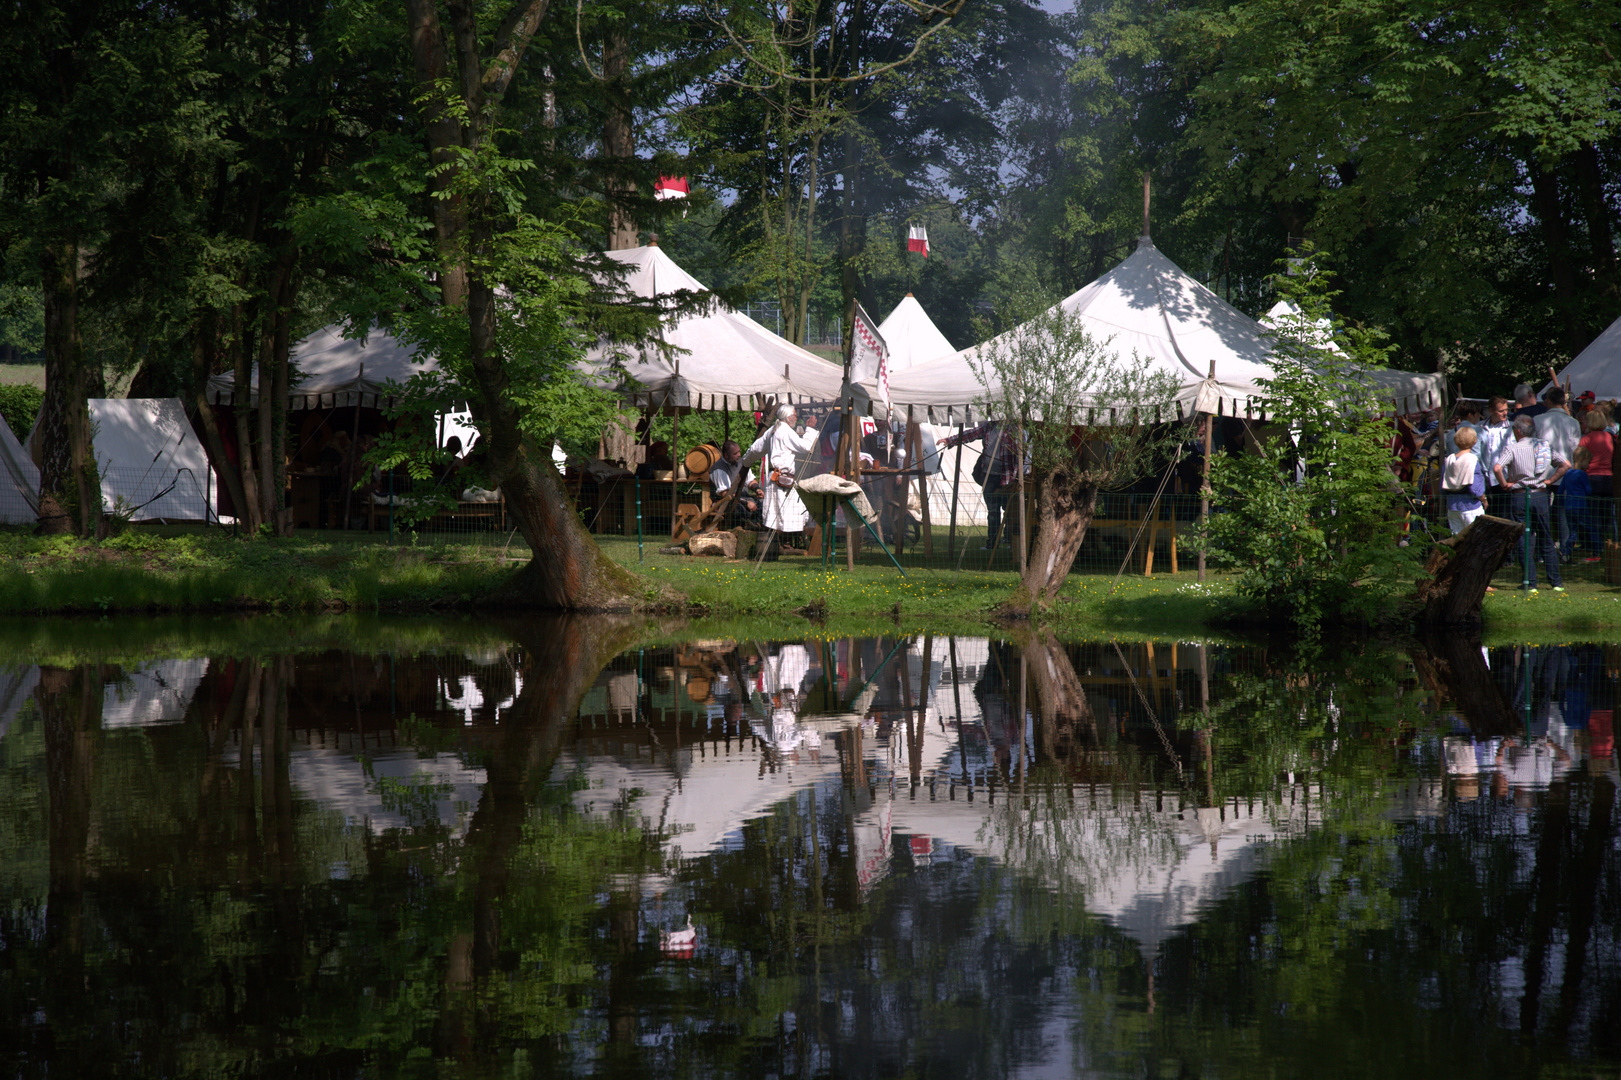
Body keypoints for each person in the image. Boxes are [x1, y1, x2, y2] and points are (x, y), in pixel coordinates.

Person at [1494, 413, 1570, 592]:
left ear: (1518, 431)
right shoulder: (1544, 446)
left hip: (1520, 495)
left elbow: (1497, 467)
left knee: (1524, 538)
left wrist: (1505, 484)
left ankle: (1530, 582)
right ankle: (1556, 582)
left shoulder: (1512, 448)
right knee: (1546, 537)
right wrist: (1550, 480)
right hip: (1541, 495)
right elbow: (1566, 464)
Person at [740, 404, 819, 538]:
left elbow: (755, 450)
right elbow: (806, 446)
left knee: (776, 513)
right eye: (794, 415)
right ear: (788, 418)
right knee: (786, 512)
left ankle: (776, 544)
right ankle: (778, 543)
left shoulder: (772, 430)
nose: (796, 417)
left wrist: (745, 462)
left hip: (775, 479)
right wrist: (810, 428)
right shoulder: (785, 430)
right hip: (781, 479)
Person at [1537, 388, 1582, 553]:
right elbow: (1576, 450)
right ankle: (1564, 550)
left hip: (1543, 472)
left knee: (1543, 512)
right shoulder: (1573, 423)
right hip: (1565, 472)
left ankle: (1543, 550)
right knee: (1562, 513)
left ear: (1548, 400)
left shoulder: (1538, 420)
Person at [1442, 425, 1486, 535]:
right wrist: (1483, 499)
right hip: (1470, 505)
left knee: (1457, 539)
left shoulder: (1449, 459)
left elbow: (1442, 486)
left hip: (1452, 506)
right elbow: (1475, 488)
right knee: (1475, 538)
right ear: (1474, 441)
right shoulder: (1472, 460)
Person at [709, 439, 762, 525]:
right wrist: (746, 502)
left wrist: (757, 489)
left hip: (743, 498)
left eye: (739, 452)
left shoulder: (741, 463)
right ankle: (745, 529)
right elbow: (726, 494)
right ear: (726, 455)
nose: (739, 455)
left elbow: (750, 481)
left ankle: (756, 528)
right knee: (740, 510)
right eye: (735, 454)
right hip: (726, 503)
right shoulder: (719, 469)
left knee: (763, 503)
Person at [1563, 445, 1596, 559]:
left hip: (1568, 507)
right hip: (1581, 506)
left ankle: (1566, 553)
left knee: (1573, 531)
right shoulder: (1582, 474)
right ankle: (1597, 551)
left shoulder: (1567, 473)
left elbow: (1561, 489)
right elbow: (1588, 490)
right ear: (1582, 460)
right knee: (1591, 528)